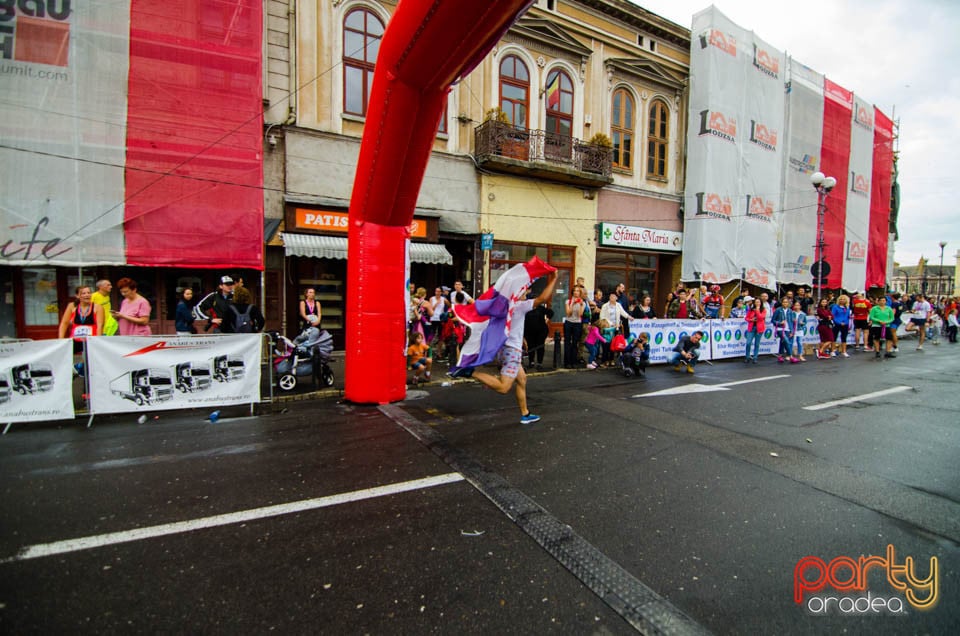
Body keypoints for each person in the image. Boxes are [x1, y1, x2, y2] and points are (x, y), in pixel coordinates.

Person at [469, 271, 557, 425]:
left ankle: (525, 413)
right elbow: (543, 298)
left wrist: (519, 337)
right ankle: (472, 372)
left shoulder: (502, 306)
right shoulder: (519, 306)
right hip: (512, 352)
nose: (528, 292)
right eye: (525, 289)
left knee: (522, 379)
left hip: (504, 348)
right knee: (504, 387)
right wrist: (554, 278)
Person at [58, 285, 105, 354]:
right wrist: (61, 340)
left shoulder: (98, 307)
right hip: (75, 339)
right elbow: (64, 323)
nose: (87, 295)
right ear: (77, 296)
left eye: (89, 293)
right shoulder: (72, 306)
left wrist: (97, 341)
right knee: (65, 355)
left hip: (91, 340)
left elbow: (100, 326)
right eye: (84, 293)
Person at [522, 299, 551, 370]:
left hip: (541, 331)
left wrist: (547, 319)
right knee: (531, 346)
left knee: (540, 346)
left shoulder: (540, 308)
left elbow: (550, 312)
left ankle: (539, 363)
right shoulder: (526, 309)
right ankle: (531, 362)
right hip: (529, 331)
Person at [563, 287, 585, 368]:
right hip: (569, 323)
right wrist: (572, 304)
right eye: (574, 291)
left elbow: (580, 315)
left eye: (578, 291)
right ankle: (567, 362)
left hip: (577, 323)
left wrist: (581, 305)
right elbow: (568, 313)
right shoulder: (568, 301)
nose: (576, 292)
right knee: (567, 342)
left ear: (580, 293)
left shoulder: (583, 303)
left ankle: (573, 361)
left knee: (575, 343)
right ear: (572, 292)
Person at [743, 296, 764, 364]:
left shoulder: (763, 310)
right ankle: (747, 356)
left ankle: (755, 357)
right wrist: (751, 320)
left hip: (759, 328)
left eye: (758, 302)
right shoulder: (751, 310)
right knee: (748, 343)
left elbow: (760, 317)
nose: (757, 303)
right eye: (756, 302)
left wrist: (757, 310)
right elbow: (746, 318)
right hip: (751, 328)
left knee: (757, 344)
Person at [772, 297, 792, 363]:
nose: (785, 303)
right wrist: (780, 322)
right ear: (781, 303)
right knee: (786, 341)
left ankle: (780, 356)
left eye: (786, 302)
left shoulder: (790, 310)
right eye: (784, 302)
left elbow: (791, 321)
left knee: (782, 342)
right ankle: (790, 355)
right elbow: (773, 320)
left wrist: (791, 330)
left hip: (787, 329)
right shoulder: (778, 310)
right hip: (780, 329)